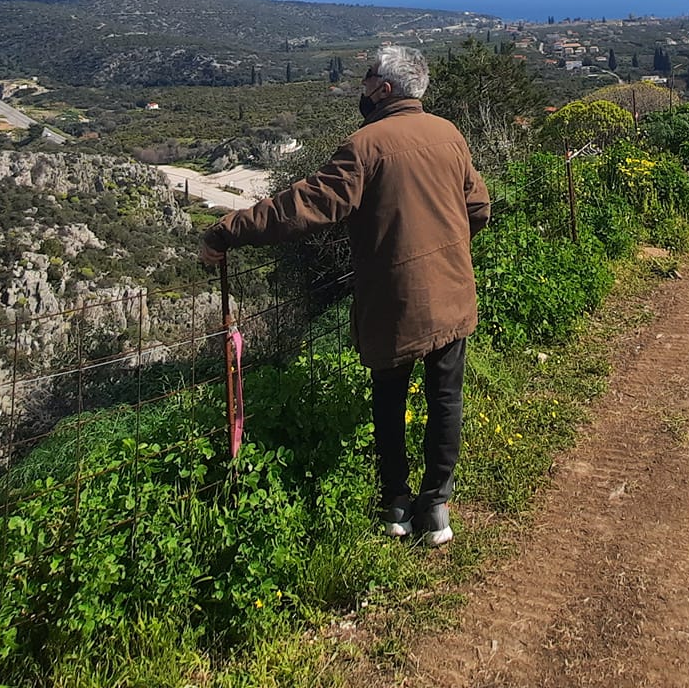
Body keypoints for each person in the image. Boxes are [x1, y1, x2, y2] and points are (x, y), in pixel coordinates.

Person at [198, 43, 490, 546]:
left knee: (388, 398)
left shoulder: (365, 146)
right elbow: (479, 208)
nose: (362, 86)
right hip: (452, 291)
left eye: (367, 78)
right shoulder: (449, 134)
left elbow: (301, 207)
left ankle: (396, 503)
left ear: (385, 88)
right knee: (446, 398)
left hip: (392, 296)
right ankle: (436, 505)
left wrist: (227, 231)